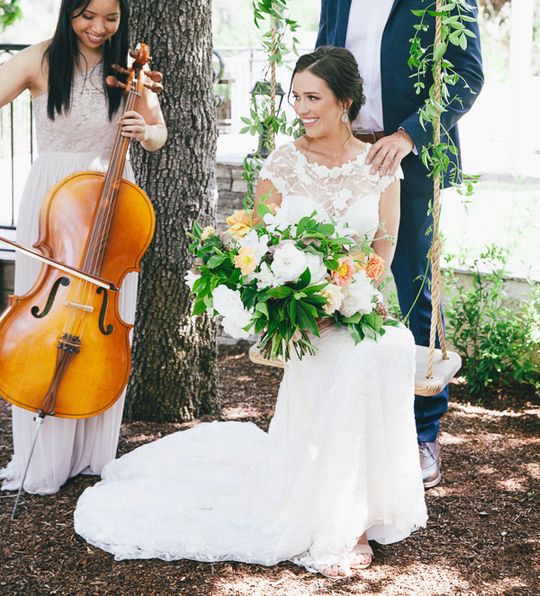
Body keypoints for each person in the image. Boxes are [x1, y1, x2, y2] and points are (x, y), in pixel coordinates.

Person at [74, 46, 426, 578]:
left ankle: (364, 504)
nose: (302, 108)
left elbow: (383, 250)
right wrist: (301, 303)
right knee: (357, 361)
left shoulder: (379, 165)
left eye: (314, 98)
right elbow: (259, 244)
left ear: (345, 102)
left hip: (359, 306)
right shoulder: (284, 162)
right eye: (296, 97)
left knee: (392, 347)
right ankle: (342, 520)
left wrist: (350, 293)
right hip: (303, 316)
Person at [317, 0, 484, 488]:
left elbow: (465, 73)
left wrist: (408, 135)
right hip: (344, 161)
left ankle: (423, 434)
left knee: (415, 288)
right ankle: (340, 421)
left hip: (410, 161)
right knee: (331, 284)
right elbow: (325, 63)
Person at [0, 0, 167, 495]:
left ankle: (93, 453)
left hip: (113, 208)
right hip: (52, 206)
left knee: (104, 324)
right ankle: (42, 456)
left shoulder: (130, 69)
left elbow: (159, 134)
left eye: (111, 19)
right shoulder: (40, 61)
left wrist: (146, 129)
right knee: (43, 322)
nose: (98, 28)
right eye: (87, 15)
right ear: (69, 7)